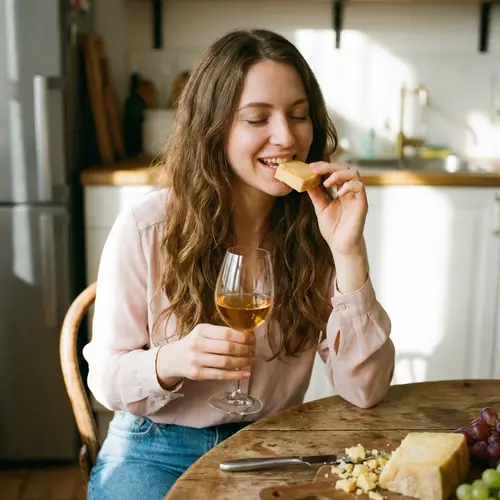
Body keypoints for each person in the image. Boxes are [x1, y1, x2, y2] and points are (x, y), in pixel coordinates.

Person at [83, 28, 395, 500]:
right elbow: (104, 380)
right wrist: (172, 361)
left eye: (299, 115)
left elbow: (365, 389)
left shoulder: (319, 228)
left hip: (272, 443)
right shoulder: (147, 227)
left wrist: (349, 253)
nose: (286, 137)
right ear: (214, 127)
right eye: (257, 118)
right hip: (155, 447)